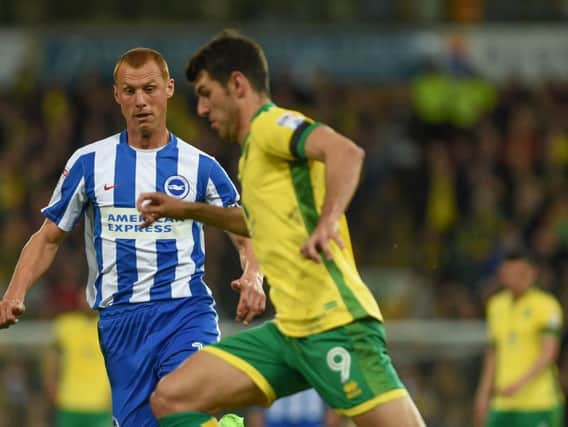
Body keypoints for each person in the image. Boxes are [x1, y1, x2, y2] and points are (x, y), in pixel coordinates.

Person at [138, 30, 425, 427]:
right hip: (289, 331)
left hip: (334, 325)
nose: (201, 108)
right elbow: (255, 222)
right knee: (172, 397)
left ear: (237, 84)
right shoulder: (253, 154)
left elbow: (345, 151)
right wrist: (187, 210)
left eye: (206, 93)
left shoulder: (272, 125)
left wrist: (327, 223)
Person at [0, 47, 265, 427]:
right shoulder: (89, 163)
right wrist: (15, 293)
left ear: (170, 89)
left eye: (150, 89)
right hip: (121, 323)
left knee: (182, 405)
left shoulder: (201, 167)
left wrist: (254, 273)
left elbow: (245, 231)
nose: (141, 100)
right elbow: (48, 237)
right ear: (117, 95)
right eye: (130, 91)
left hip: (184, 310)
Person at [474, 248, 564, 427]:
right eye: (509, 273)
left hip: (538, 402)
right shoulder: (496, 306)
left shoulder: (546, 305)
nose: (514, 278)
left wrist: (519, 384)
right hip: (502, 403)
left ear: (532, 273)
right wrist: (483, 394)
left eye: (520, 273)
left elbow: (549, 353)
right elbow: (493, 352)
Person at [44, 299, 112, 427]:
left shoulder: (110, 325)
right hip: (68, 403)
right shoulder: (66, 324)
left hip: (100, 404)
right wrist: (50, 385)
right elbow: (52, 357)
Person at [246, 388, 345, 427]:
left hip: (313, 421)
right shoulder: (270, 355)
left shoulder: (316, 356)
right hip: (275, 421)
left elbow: (331, 394)